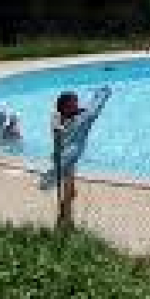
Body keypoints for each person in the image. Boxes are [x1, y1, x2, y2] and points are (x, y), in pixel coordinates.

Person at [52, 91, 83, 228]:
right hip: (62, 159)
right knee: (69, 192)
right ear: (65, 105)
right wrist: (64, 128)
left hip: (70, 158)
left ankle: (64, 218)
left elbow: (84, 111)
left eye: (76, 102)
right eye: (74, 103)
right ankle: (66, 221)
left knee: (72, 192)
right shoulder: (57, 117)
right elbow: (58, 130)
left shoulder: (73, 114)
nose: (77, 105)